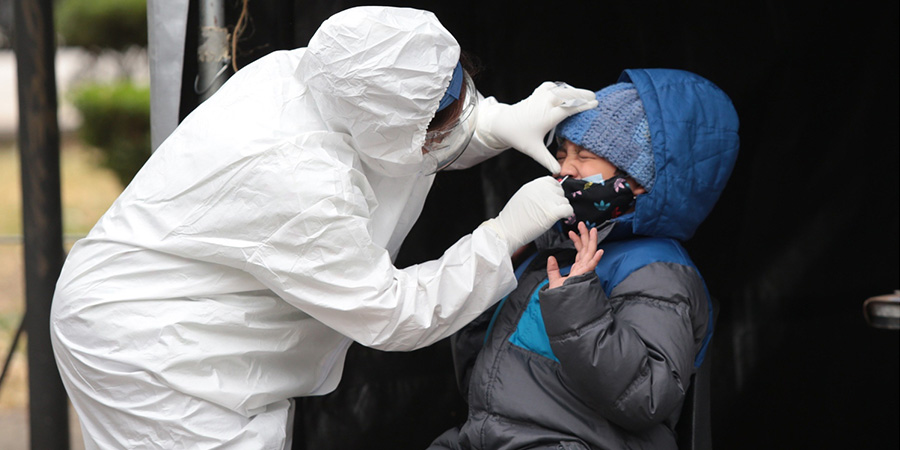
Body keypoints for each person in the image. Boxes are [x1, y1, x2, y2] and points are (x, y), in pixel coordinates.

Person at [49, 6, 599, 449]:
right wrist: (504, 234)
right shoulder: (299, 181)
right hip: (148, 346)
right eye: (445, 123)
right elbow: (393, 312)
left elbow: (401, 131)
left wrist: (495, 121)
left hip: (187, 312)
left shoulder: (324, 77)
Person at [429, 69, 740, 450]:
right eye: (561, 154)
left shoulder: (658, 271)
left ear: (638, 179)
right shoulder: (551, 250)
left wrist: (577, 305)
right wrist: (497, 269)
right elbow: (481, 378)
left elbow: (646, 396)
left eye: (585, 156)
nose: (565, 169)